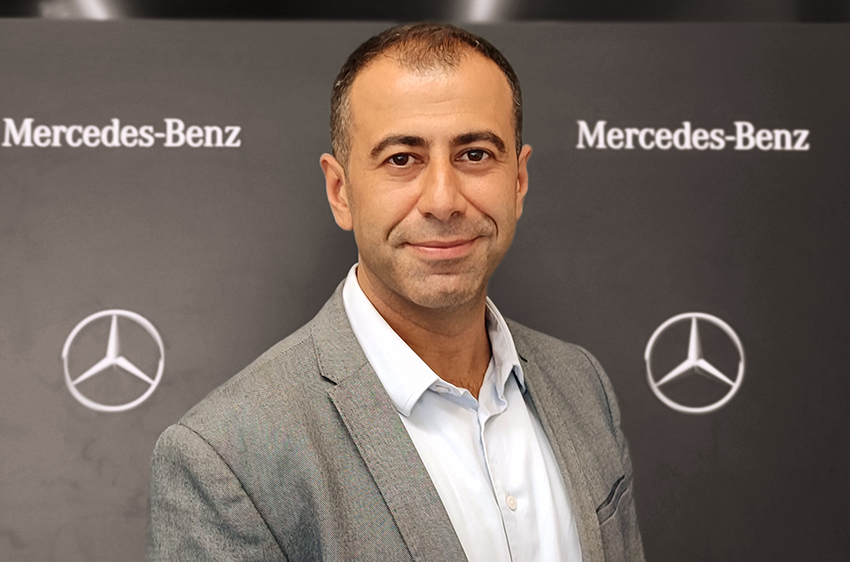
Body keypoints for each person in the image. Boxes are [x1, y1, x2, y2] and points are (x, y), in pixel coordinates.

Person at [148, 23, 644, 561]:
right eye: (402, 159)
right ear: (340, 191)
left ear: (518, 181)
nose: (443, 201)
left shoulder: (581, 383)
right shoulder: (226, 458)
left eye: (475, 154)